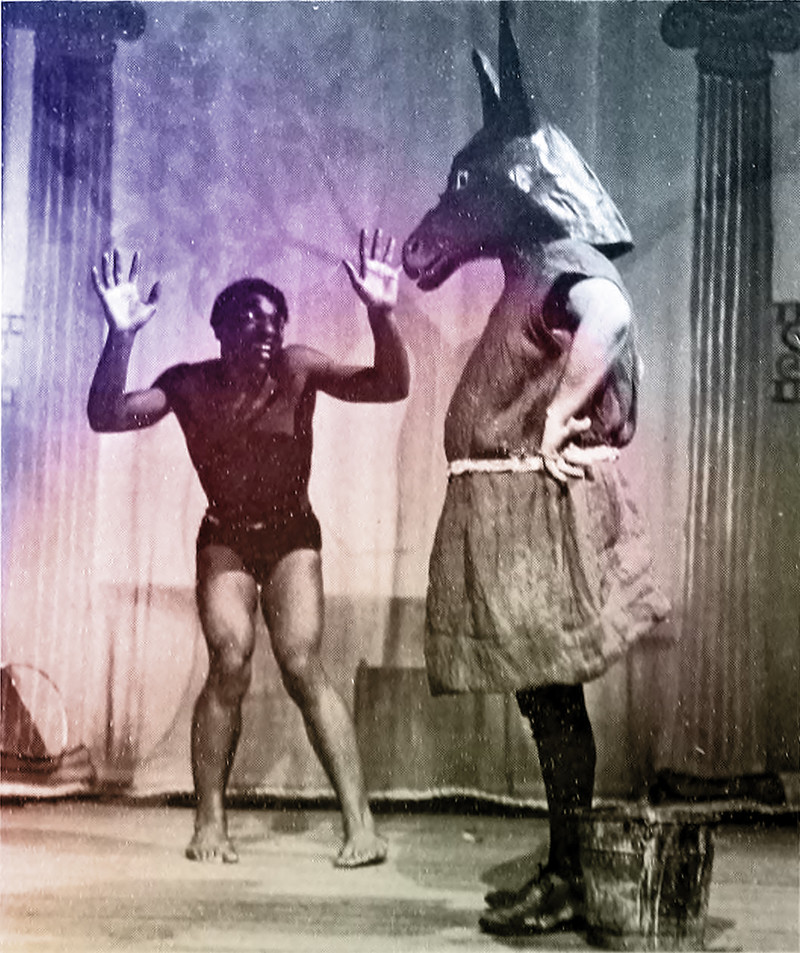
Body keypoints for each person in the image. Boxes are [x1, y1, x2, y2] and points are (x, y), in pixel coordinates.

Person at [402, 2, 670, 934]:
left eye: (467, 188)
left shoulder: (559, 256)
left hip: (536, 512)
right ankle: (564, 867)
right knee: (544, 701)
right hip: (510, 515)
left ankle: (570, 877)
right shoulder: (529, 265)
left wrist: (558, 416)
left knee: (553, 702)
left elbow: (610, 315)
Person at [87, 228, 409, 868]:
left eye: (274, 320)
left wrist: (380, 316)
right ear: (220, 332)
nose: (265, 329)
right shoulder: (188, 385)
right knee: (229, 661)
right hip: (227, 538)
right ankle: (210, 820)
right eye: (248, 319)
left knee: (301, 664)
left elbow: (389, 385)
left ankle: (361, 825)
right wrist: (120, 337)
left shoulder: (298, 368)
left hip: (291, 534)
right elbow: (106, 416)